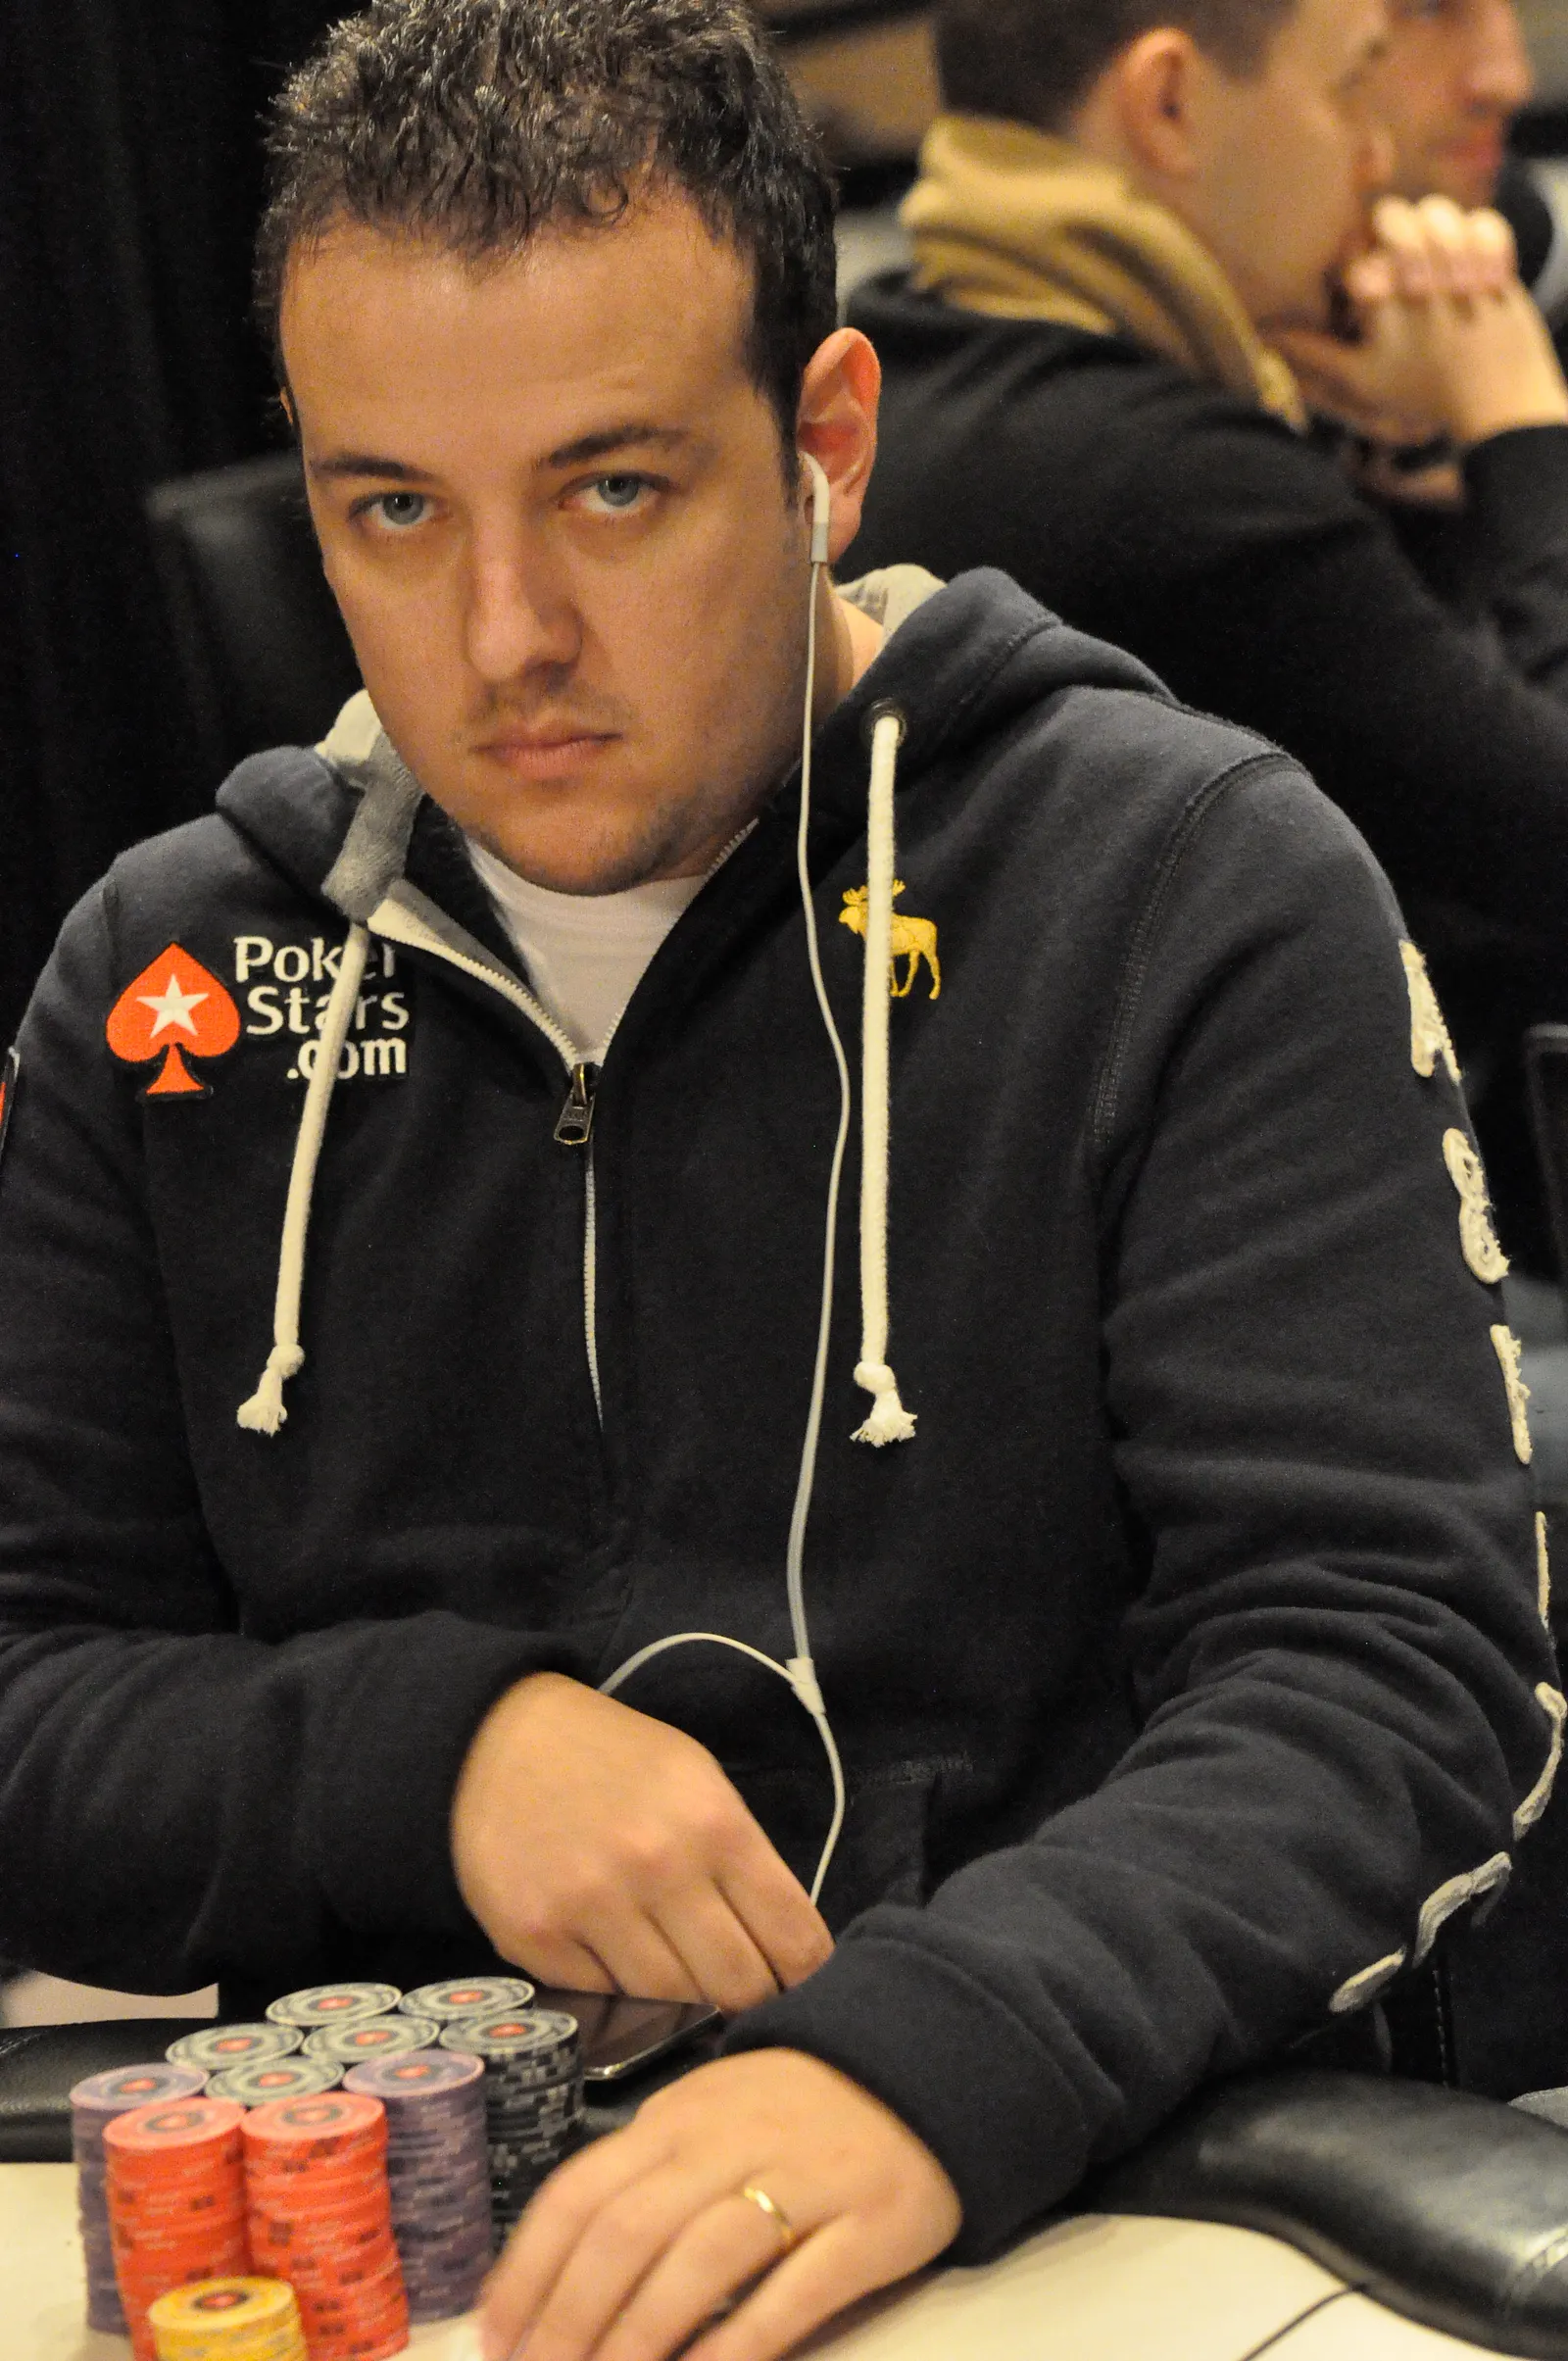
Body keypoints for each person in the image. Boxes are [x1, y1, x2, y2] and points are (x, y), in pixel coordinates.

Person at [0, 4, 1558, 2358]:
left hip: (1090, 2204)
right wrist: (439, 1759)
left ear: (825, 439)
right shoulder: (172, 981)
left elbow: (1386, 1667)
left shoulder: (1185, 886)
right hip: (420, 2268)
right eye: (390, 510)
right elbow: (31, 1692)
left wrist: (924, 2059)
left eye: (613, 491)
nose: (501, 638)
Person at [847, 0, 1568, 1261]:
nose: (1372, 158)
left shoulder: (923, 353)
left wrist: (1404, 469)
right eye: (1348, 89)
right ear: (1171, 104)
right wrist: (1518, 425)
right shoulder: (1169, 485)